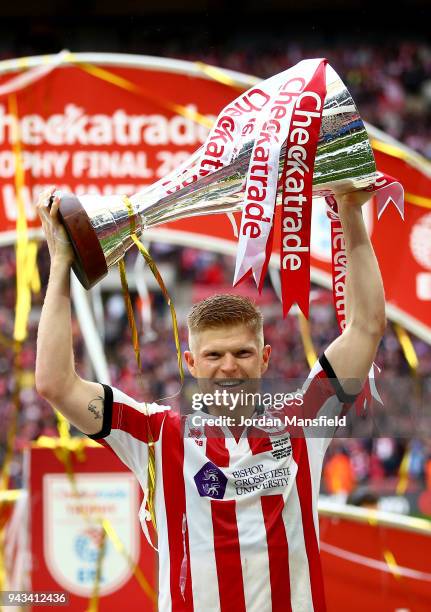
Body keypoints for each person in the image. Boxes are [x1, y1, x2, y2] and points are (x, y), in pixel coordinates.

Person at [35, 186, 386, 612]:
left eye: (242, 353)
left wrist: (350, 213)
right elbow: (56, 383)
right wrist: (60, 265)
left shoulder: (304, 420)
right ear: (191, 362)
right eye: (214, 355)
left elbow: (366, 327)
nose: (228, 367)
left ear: (265, 358)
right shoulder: (157, 433)